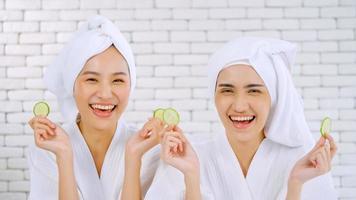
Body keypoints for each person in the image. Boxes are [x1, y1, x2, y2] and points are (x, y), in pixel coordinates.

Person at [145, 37, 338, 200]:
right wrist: (191, 176)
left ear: (274, 97)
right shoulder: (185, 156)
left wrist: (295, 183)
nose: (239, 106)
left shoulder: (301, 161)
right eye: (227, 90)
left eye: (254, 91)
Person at [27, 15, 165, 200]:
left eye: (118, 80)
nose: (105, 94)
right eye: (91, 79)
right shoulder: (47, 149)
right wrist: (64, 155)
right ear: (72, 85)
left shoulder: (152, 149)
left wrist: (133, 157)